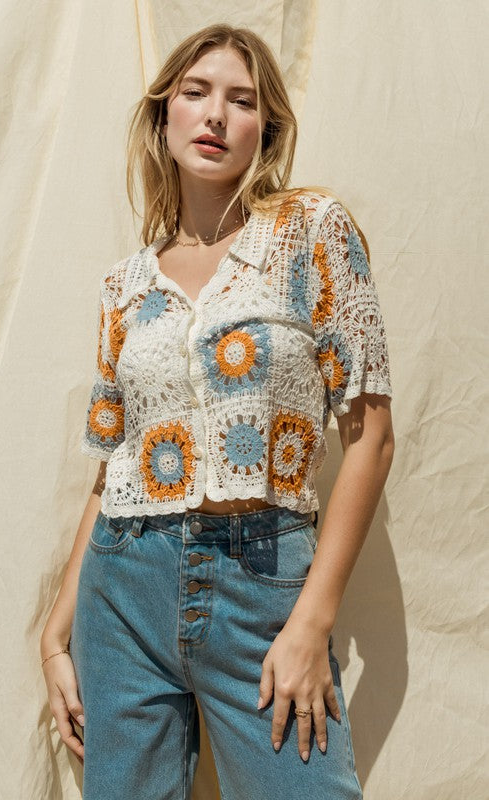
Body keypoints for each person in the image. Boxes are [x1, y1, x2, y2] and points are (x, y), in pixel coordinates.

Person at [41, 22, 394, 800]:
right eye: (195, 94)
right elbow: (115, 470)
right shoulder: (124, 286)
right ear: (162, 115)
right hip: (121, 589)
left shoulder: (309, 234)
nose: (214, 116)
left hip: (261, 581)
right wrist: (56, 632)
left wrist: (309, 622)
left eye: (241, 101)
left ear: (263, 130)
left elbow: (368, 439)